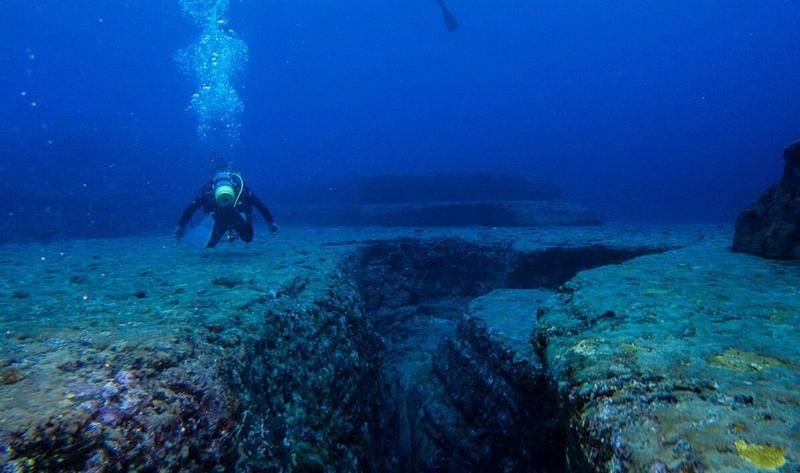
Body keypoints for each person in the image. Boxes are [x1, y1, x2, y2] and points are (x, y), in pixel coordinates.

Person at [175, 154, 278, 248]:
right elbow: (259, 204)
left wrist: (181, 226)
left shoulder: (210, 187)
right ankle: (240, 215)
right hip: (238, 218)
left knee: (210, 244)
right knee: (247, 239)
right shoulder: (239, 185)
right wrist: (271, 223)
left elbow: (192, 207)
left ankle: (220, 214)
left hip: (219, 219)